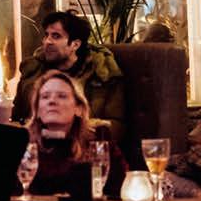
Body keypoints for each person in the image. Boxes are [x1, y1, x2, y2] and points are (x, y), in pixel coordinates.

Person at [13, 70, 166, 201]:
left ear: (78, 108)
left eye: (61, 96)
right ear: (37, 110)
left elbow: (123, 194)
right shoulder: (24, 147)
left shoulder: (99, 143)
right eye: (45, 97)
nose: (52, 101)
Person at [12, 10, 126, 143]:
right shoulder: (32, 73)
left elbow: (117, 127)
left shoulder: (103, 74)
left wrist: (77, 129)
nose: (47, 41)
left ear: (75, 44)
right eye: (46, 35)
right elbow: (16, 118)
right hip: (37, 147)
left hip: (84, 147)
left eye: (56, 36)